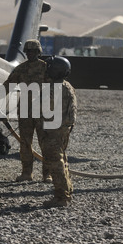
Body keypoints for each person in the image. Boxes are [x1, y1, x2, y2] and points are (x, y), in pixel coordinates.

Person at [2, 39, 51, 183]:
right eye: (28, 51)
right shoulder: (21, 69)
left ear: (38, 52)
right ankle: (26, 173)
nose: (30, 53)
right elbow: (8, 85)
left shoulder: (46, 68)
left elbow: (55, 87)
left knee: (45, 143)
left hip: (42, 111)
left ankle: (47, 174)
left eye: (33, 51)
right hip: (25, 111)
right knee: (25, 143)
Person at [40, 56, 77, 208]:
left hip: (54, 130)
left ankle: (61, 197)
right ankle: (67, 191)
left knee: (55, 162)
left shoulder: (53, 89)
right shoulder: (66, 86)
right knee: (62, 160)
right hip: (63, 129)